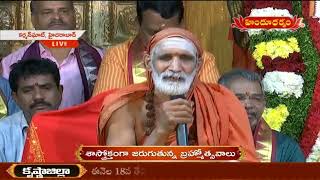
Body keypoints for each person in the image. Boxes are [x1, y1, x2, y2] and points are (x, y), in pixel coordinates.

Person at [97, 28, 257, 161]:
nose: (175, 67)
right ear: (148, 63)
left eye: (185, 58)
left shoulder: (223, 103)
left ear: (198, 65)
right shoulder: (125, 110)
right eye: (165, 57)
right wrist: (161, 130)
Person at [93, 1, 220, 95]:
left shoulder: (203, 60)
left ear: (183, 24)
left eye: (170, 32)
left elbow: (211, 113)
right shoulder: (117, 57)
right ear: (138, 23)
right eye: (153, 33)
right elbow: (104, 113)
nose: (162, 42)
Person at [1, 1, 103, 109]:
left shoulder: (100, 57)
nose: (57, 17)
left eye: (64, 11)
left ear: (74, 15)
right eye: (47, 12)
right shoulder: (10, 63)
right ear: (33, 19)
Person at [218, 69, 305, 162]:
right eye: (239, 98)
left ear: (264, 103)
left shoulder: (286, 148)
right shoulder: (206, 141)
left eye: (256, 98)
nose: (248, 105)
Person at [0, 59, 63, 162]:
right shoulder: (2, 133)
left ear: (60, 91)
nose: (38, 96)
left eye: (46, 88)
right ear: (15, 98)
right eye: (28, 91)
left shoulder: (81, 131)